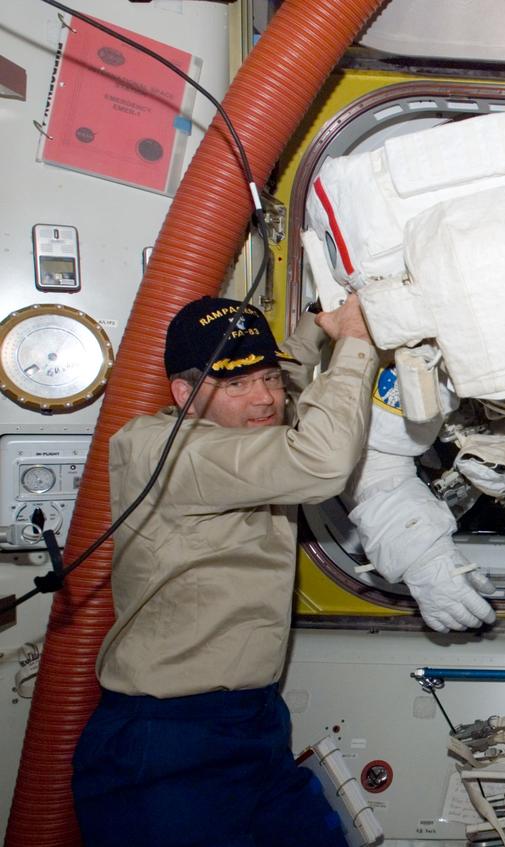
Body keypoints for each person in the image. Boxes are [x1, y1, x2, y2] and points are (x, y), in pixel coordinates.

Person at [72, 294, 377, 847]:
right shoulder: (170, 451)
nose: (264, 399)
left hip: (252, 722)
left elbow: (279, 373)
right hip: (166, 742)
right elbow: (324, 462)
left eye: (268, 379)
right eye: (236, 385)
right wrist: (356, 344)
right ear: (185, 395)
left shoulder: (236, 429)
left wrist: (318, 330)